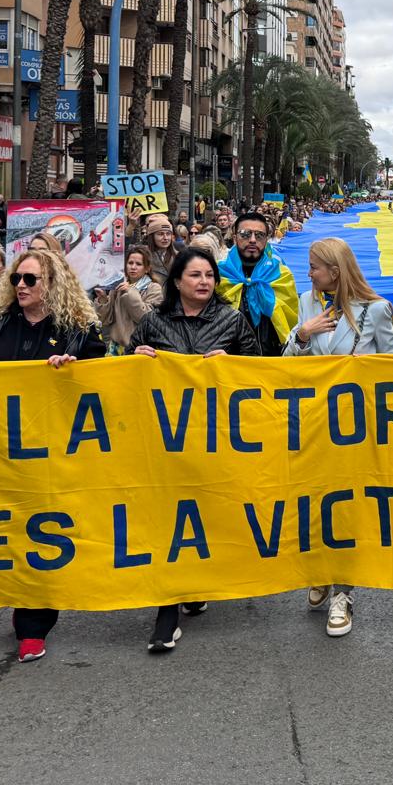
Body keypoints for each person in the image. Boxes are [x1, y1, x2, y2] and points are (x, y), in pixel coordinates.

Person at [0, 246, 104, 662]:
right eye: (17, 279)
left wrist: (75, 372)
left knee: (43, 532)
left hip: (56, 451)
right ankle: (19, 600)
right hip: (4, 448)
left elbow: (105, 383)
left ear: (53, 284)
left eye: (30, 279)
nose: (20, 286)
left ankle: (33, 622)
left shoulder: (81, 329)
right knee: (10, 528)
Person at [130, 246, 260, 652]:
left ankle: (196, 582)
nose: (204, 282)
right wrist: (134, 357)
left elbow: (260, 371)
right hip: (164, 443)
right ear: (177, 282)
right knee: (169, 518)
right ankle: (166, 612)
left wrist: (234, 362)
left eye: (209, 276)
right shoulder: (152, 322)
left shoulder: (232, 320)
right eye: (196, 275)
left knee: (205, 515)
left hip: (215, 439)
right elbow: (121, 371)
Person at [284, 237, 393, 638]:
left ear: (335, 270)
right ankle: (320, 571)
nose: (309, 273)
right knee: (314, 504)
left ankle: (342, 593)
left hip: (355, 430)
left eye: (315, 267)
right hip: (311, 426)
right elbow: (285, 369)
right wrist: (301, 334)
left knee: (346, 508)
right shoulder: (305, 302)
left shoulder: (378, 310)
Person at [215, 211, 298, 357]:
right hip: (227, 361)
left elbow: (292, 323)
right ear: (235, 238)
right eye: (245, 234)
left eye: (259, 235)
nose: (252, 240)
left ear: (266, 239)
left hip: (271, 361)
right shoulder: (217, 274)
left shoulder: (282, 275)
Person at [94, 247, 157, 351]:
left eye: (138, 264)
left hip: (141, 349)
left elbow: (147, 319)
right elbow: (105, 320)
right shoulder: (117, 287)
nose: (133, 267)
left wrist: (131, 291)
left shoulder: (154, 288)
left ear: (147, 268)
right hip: (116, 347)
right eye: (130, 263)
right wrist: (103, 299)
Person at [141, 214, 178, 286]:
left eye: (168, 234)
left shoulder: (179, 256)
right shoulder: (143, 256)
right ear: (152, 236)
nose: (165, 238)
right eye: (160, 234)